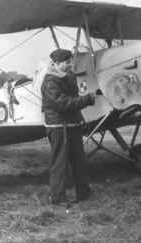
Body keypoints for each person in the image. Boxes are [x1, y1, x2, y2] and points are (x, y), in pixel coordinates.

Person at [41, 49, 96, 206]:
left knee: (79, 160)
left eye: (71, 61)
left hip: (72, 124)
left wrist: (80, 116)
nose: (71, 64)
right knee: (60, 162)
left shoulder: (68, 76)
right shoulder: (50, 81)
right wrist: (86, 100)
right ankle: (57, 197)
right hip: (59, 126)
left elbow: (72, 100)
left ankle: (83, 193)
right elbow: (62, 103)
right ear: (57, 64)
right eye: (67, 62)